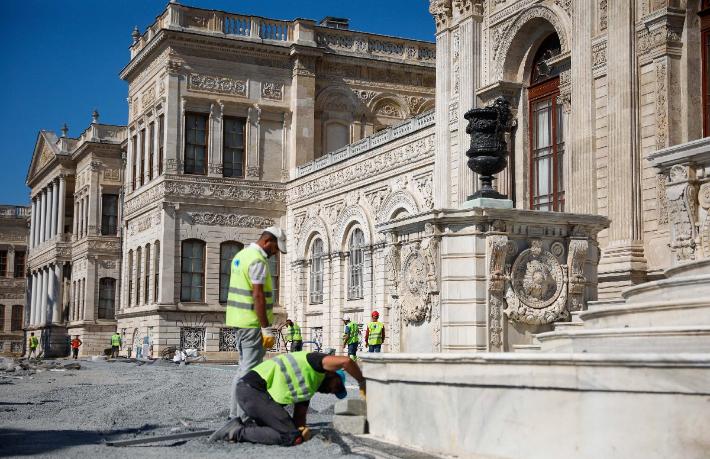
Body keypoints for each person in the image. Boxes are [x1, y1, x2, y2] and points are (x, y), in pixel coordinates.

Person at [210, 351, 366, 446]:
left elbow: (298, 420)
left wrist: (302, 431)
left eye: (335, 392)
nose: (332, 391)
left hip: (253, 395)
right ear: (332, 373)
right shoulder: (315, 362)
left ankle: (249, 427)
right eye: (337, 386)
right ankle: (237, 432)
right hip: (252, 390)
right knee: (290, 437)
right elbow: (346, 361)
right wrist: (362, 382)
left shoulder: (308, 387)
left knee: (293, 434)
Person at [226, 226, 287, 420]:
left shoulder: (241, 256)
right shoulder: (258, 261)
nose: (275, 253)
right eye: (276, 248)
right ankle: (244, 419)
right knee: (250, 372)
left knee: (242, 369)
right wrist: (265, 327)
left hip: (239, 320)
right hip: (252, 323)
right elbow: (258, 295)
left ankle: (234, 415)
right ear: (268, 241)